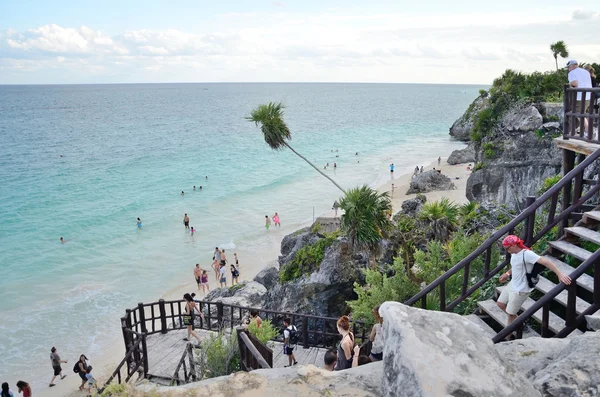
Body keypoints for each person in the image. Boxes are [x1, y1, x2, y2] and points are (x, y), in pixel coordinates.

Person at [497, 235, 572, 338]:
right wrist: (507, 274)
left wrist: (559, 274)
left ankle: (506, 337)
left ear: (514, 245)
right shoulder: (514, 254)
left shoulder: (527, 254)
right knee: (500, 303)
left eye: (507, 248)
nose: (506, 250)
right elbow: (516, 266)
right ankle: (519, 322)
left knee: (510, 314)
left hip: (521, 289)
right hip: (512, 284)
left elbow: (546, 262)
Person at [567, 60, 593, 132]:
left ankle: (589, 131)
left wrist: (569, 84)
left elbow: (575, 83)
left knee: (579, 113)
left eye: (568, 67)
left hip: (580, 97)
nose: (568, 69)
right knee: (587, 114)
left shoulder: (572, 73)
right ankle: (586, 129)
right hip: (590, 95)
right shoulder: (586, 72)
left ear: (572, 66)